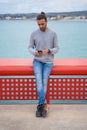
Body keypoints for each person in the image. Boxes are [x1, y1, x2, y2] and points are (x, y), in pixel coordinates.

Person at [28, 12, 59, 117]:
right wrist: (34, 52)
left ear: (46, 21)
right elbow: (30, 47)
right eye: (39, 24)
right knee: (39, 81)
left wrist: (49, 51)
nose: (41, 26)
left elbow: (57, 48)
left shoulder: (53, 33)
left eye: (42, 24)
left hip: (48, 62)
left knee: (44, 82)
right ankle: (43, 104)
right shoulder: (33, 33)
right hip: (37, 60)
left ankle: (41, 105)